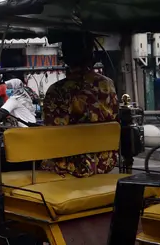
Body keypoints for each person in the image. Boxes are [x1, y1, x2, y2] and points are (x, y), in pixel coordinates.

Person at [42, 33, 119, 178]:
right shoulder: (107, 84)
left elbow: (51, 130)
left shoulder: (57, 90)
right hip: (105, 160)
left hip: (73, 164)